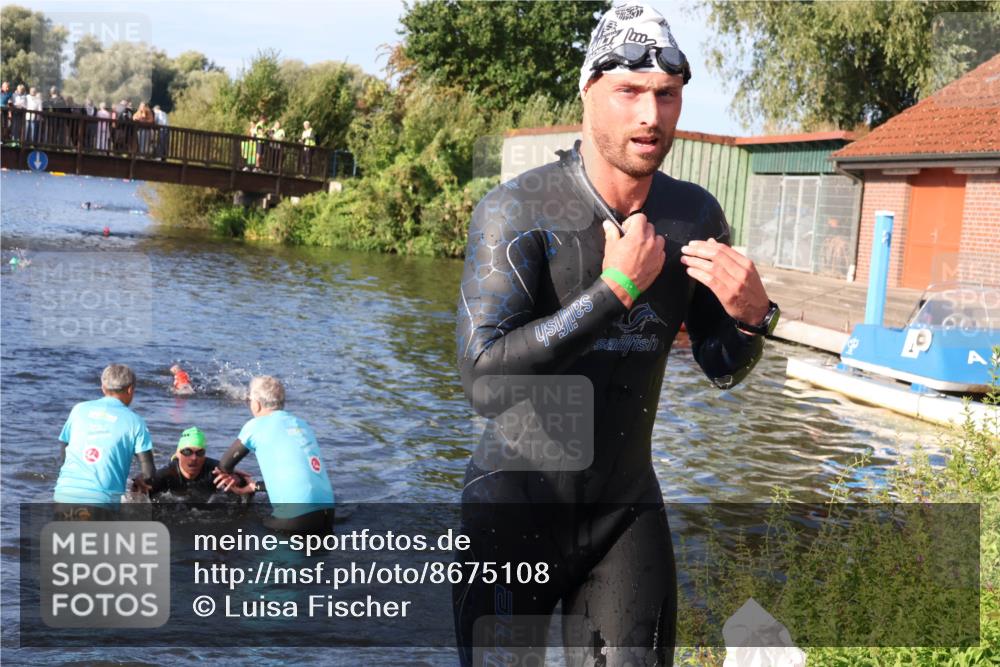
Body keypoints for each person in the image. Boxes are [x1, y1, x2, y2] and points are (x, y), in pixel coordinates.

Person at [453, 4, 779, 665]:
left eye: (666, 95)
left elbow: (720, 365)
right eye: (629, 92)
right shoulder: (518, 212)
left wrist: (752, 319)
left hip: (625, 515)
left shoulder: (693, 214)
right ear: (589, 93)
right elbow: (483, 379)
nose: (649, 116)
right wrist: (614, 293)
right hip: (513, 510)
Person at [215, 375, 335, 535]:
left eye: (249, 399)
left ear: (256, 404)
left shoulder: (255, 426)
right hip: (328, 513)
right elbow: (298, 476)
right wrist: (253, 487)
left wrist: (234, 480)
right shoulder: (302, 424)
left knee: (245, 528)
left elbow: (224, 466)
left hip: (295, 518)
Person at [54, 364, 156, 506]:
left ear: (103, 388)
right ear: (130, 389)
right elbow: (149, 472)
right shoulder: (135, 422)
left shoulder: (78, 409)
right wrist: (141, 479)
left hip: (64, 495)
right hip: (102, 501)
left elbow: (64, 447)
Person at [144, 427, 251, 502]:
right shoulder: (166, 475)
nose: (194, 458)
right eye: (187, 452)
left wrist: (239, 481)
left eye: (200, 452)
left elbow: (245, 489)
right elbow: (138, 496)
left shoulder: (215, 471)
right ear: (178, 454)